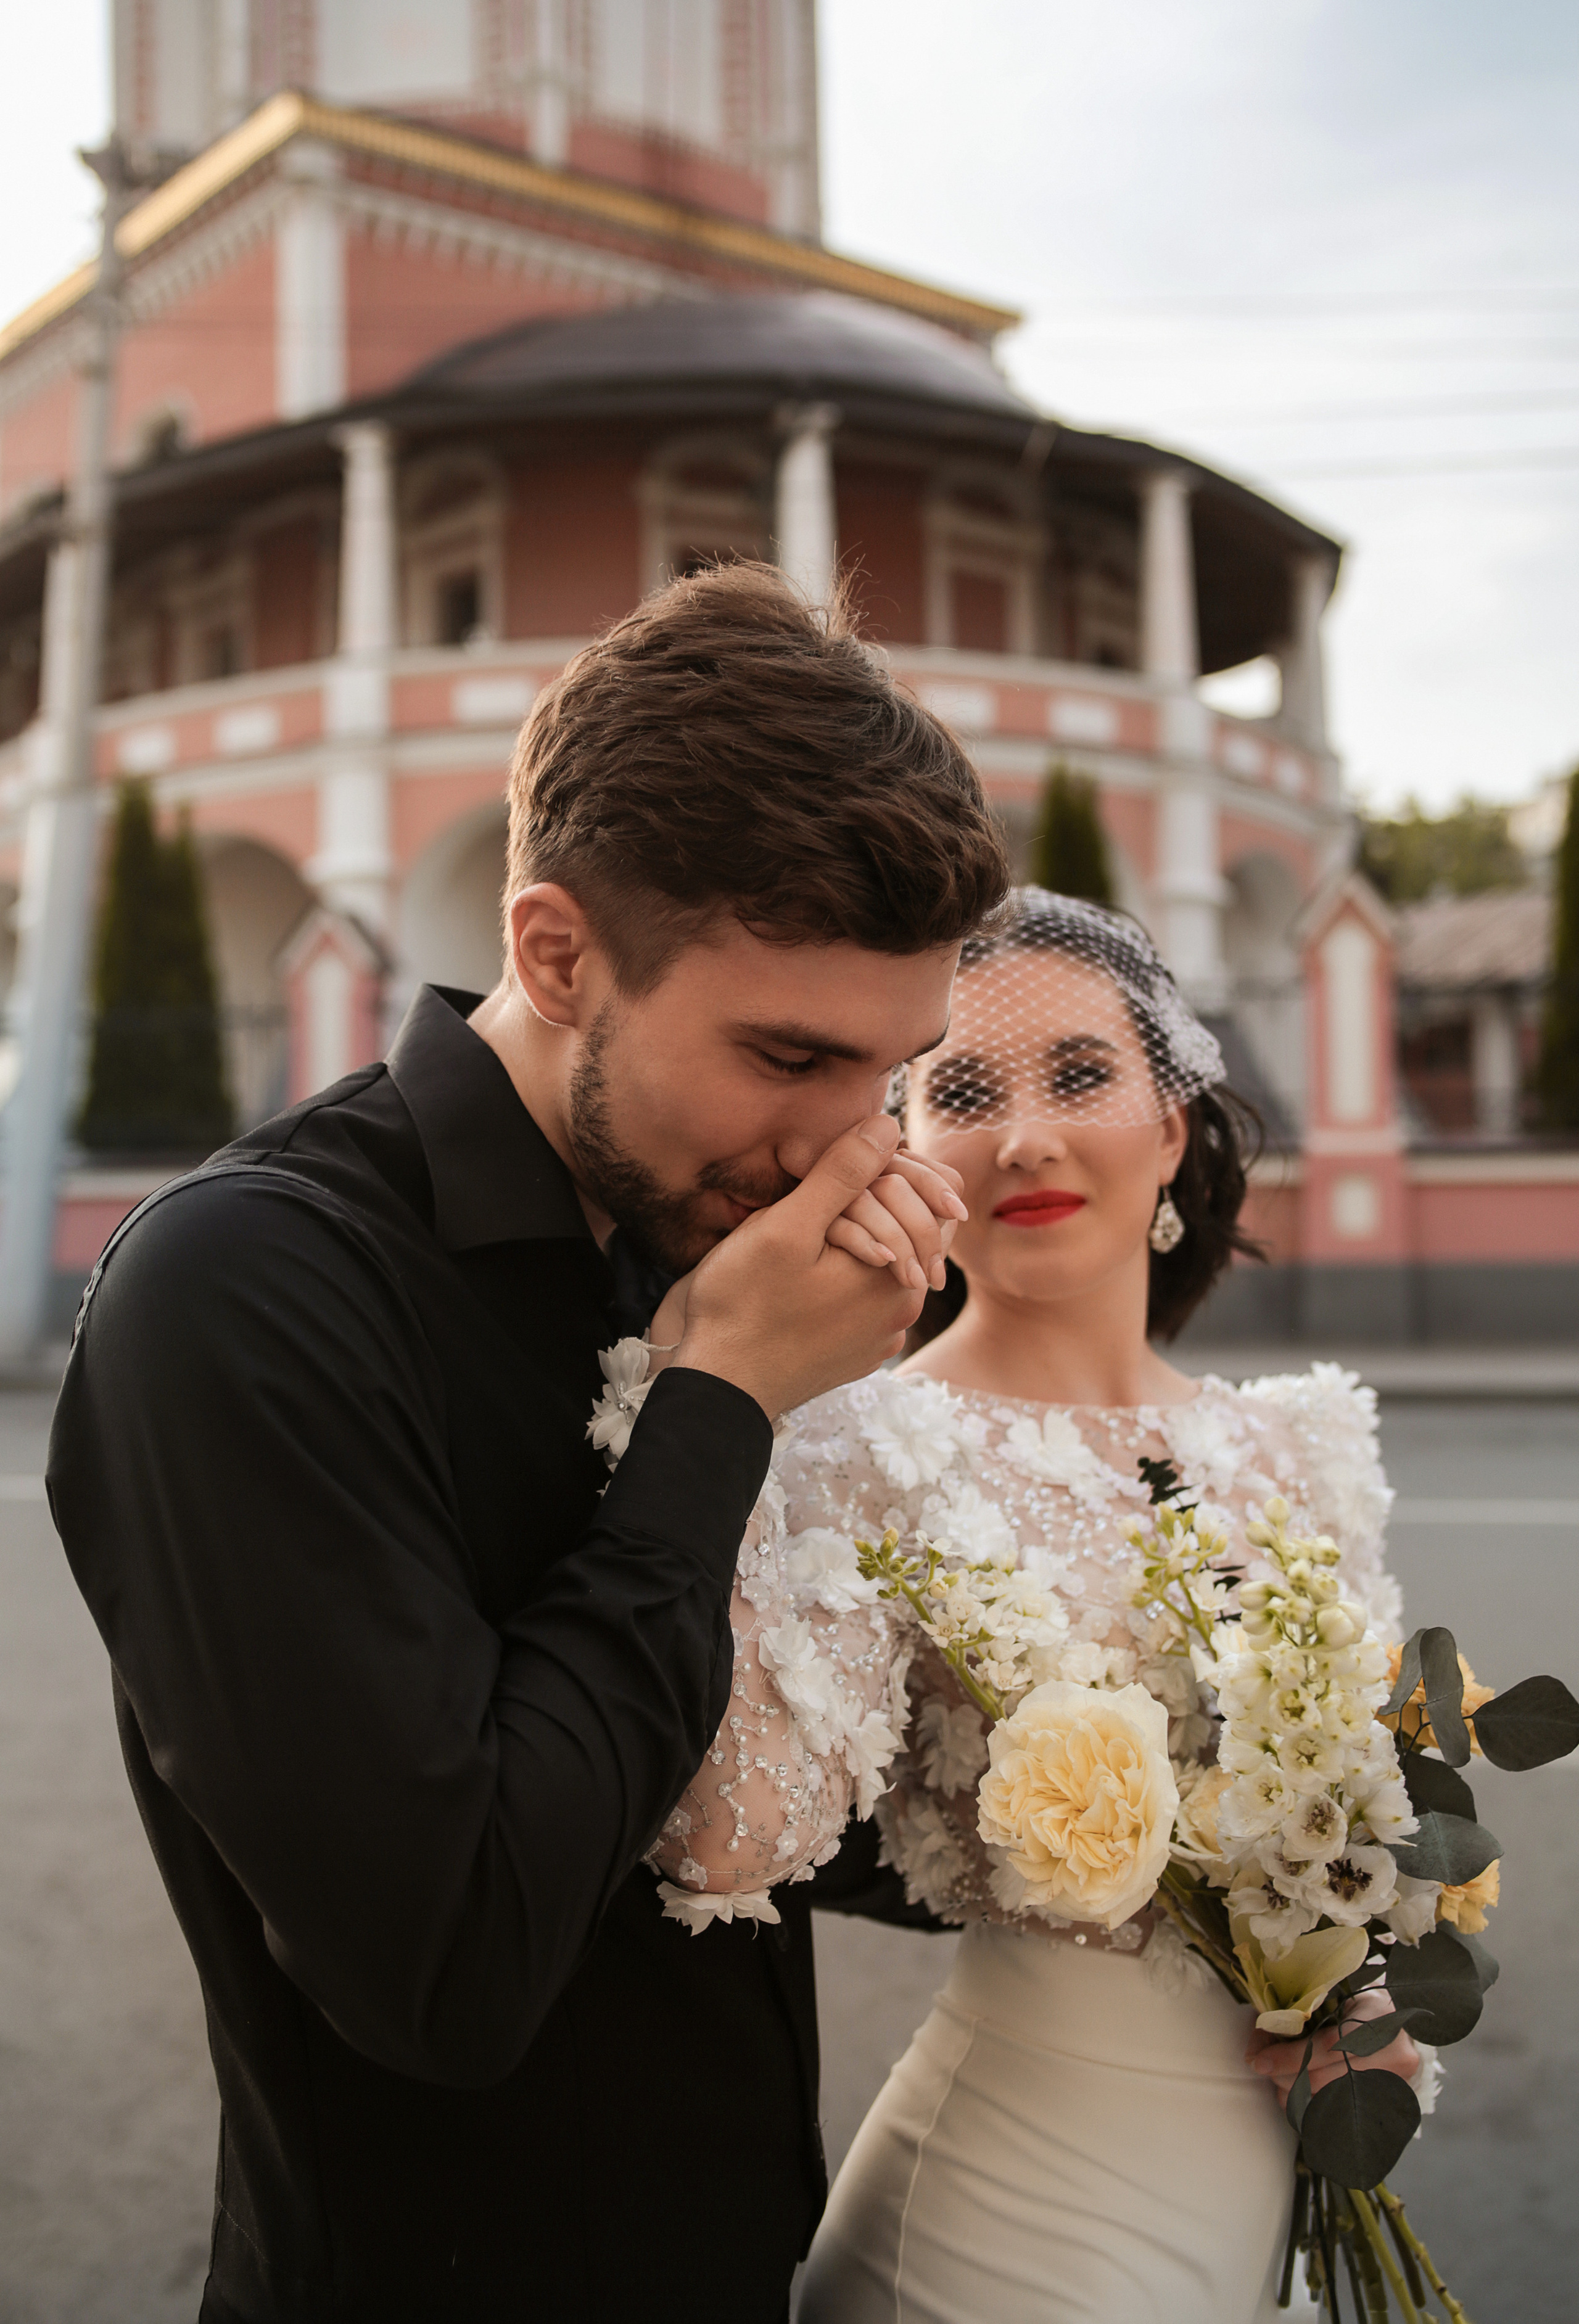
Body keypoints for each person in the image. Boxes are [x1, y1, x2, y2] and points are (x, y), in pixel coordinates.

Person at [46, 563, 1011, 2324]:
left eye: (887, 1070)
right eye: (786, 1052)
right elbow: (453, 1962)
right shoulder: (246, 1288)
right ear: (557, 952)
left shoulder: (724, 1242)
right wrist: (717, 1410)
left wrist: (1178, 1817)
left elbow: (805, 1829)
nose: (838, 1149)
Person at [642, 889, 1427, 2324]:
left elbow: (1370, 1813)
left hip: (1273, 2187)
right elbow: (732, 1843)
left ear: (1173, 1124)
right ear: (901, 1148)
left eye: (1077, 1075)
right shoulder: (852, 1443)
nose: (1026, 1136)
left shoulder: (1294, 1446)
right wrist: (735, 1425)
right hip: (1015, 2222)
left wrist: (1360, 1985)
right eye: (962, 1090)